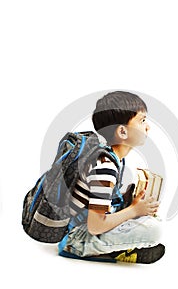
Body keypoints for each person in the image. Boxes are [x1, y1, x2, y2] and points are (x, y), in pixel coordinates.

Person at [59, 91, 165, 264]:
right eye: (142, 120)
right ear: (122, 131)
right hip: (75, 239)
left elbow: (102, 207)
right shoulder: (105, 166)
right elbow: (95, 226)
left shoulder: (113, 159)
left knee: (150, 218)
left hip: (85, 230)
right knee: (154, 229)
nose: (147, 127)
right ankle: (105, 251)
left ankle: (118, 248)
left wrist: (131, 204)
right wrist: (134, 211)